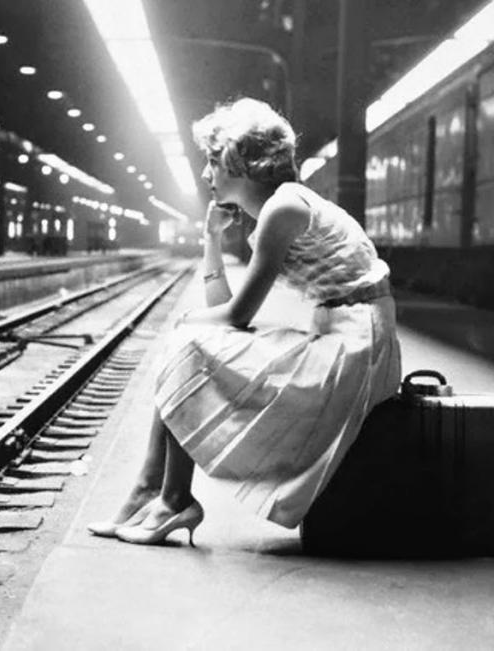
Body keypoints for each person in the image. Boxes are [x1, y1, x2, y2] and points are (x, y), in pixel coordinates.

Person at [88, 97, 402, 545]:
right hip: (342, 334)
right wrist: (212, 241)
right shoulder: (281, 206)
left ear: (242, 162)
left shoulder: (283, 210)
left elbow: (235, 315)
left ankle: (170, 498)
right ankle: (152, 494)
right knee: (192, 340)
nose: (205, 173)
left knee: (190, 342)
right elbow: (229, 312)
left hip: (355, 350)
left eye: (213, 161)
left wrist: (187, 323)